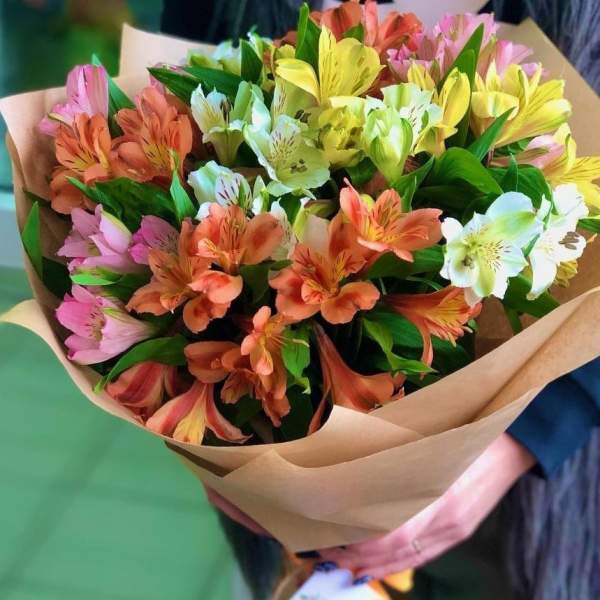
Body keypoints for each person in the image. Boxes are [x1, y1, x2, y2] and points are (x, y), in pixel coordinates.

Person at [160, 1, 600, 597]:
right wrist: (210, 442)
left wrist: (527, 441)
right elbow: (180, 142)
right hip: (280, 489)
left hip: (549, 491)